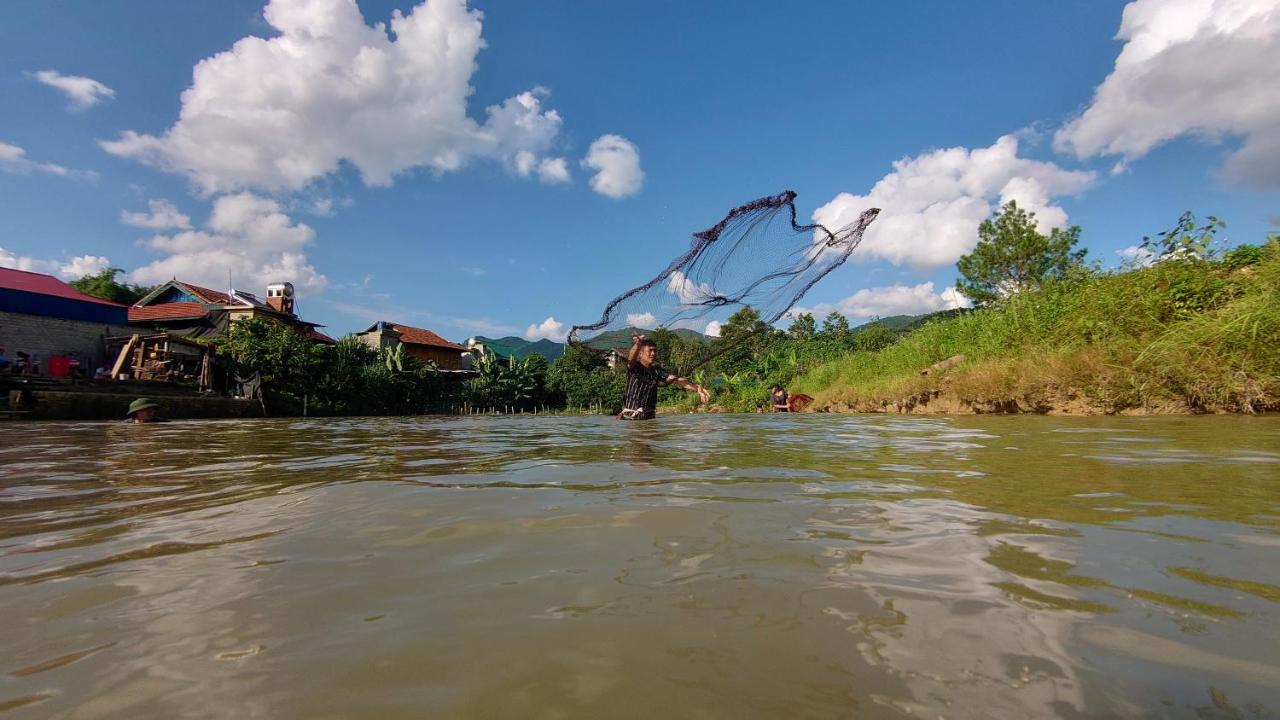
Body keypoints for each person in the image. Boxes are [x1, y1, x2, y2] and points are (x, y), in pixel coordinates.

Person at [619, 335, 710, 420]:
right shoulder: (635, 367)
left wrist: (698, 388)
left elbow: (677, 380)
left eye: (655, 350)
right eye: (650, 350)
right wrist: (638, 344)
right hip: (630, 419)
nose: (653, 353)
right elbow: (631, 359)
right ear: (640, 354)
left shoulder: (657, 371)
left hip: (649, 419)